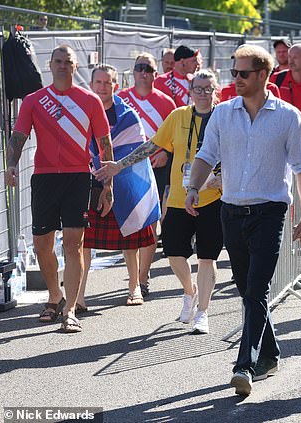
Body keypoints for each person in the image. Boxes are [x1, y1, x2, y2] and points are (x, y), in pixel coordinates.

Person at [183, 45, 301, 396]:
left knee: (257, 289)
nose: (235, 79)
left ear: (262, 76)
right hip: (231, 211)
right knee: (247, 291)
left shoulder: (288, 116)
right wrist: (193, 188)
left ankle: (245, 365)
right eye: (234, 72)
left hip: (270, 212)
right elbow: (206, 155)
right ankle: (270, 353)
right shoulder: (223, 114)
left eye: (242, 73)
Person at [97, 70, 223, 334]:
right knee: (175, 254)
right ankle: (190, 292)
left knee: (207, 257)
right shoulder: (178, 117)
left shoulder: (224, 117)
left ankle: (202, 312)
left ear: (215, 91)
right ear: (190, 91)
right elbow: (152, 146)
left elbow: (236, 152)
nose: (202, 94)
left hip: (213, 198)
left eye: (207, 89)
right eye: (197, 89)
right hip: (179, 197)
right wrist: (119, 166)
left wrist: (221, 178)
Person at [5, 45, 112, 333]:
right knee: (42, 243)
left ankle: (70, 309)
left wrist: (108, 185)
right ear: (49, 65)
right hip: (45, 177)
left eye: (68, 62)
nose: (63, 66)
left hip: (78, 177)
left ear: (75, 67)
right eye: (58, 61)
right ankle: (54, 294)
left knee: (74, 242)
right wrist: (11, 164)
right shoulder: (34, 100)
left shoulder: (90, 100)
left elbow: (105, 143)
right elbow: (18, 136)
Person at [79, 65, 159, 308]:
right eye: (98, 82)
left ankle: (134, 286)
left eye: (108, 83)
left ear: (116, 86)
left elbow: (136, 151)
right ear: (91, 85)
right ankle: (78, 296)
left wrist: (114, 176)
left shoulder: (128, 116)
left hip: (123, 184)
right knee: (82, 241)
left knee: (130, 241)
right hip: (88, 183)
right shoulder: (82, 113)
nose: (103, 87)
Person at [118, 53, 177, 297]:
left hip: (158, 168)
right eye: (139, 68)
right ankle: (135, 277)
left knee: (152, 224)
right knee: (130, 222)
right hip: (127, 171)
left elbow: (176, 135)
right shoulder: (121, 99)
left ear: (156, 73)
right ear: (133, 72)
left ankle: (143, 277)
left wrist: (165, 152)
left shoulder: (166, 102)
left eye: (149, 69)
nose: (144, 72)